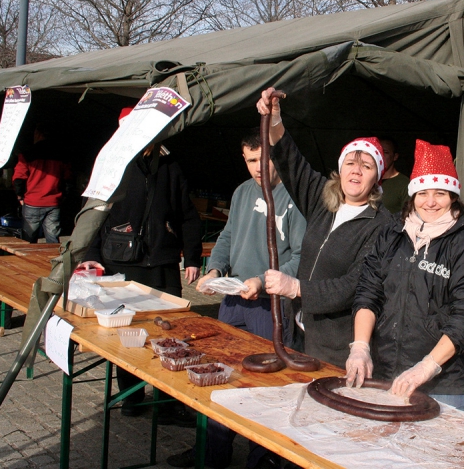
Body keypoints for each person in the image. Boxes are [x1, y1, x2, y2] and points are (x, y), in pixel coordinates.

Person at [167, 130, 306, 469]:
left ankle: (261, 459)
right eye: (250, 160)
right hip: (233, 301)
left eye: (264, 159)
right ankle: (212, 453)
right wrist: (214, 269)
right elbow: (228, 236)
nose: (258, 167)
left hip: (271, 307)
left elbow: (303, 255)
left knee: (263, 385)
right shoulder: (242, 192)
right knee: (219, 376)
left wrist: (263, 280)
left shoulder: (295, 198)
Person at [345, 139, 464, 411]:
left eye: (440, 193)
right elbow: (369, 292)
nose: (430, 202)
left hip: (442, 385)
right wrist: (360, 347)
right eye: (423, 193)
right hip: (384, 373)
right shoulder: (391, 234)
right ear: (412, 195)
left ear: (453, 197)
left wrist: (427, 367)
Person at [255, 87, 393, 368]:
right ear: (340, 169)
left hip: (336, 345)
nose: (356, 170)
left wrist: (296, 288)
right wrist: (276, 118)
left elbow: (354, 286)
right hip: (296, 331)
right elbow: (291, 162)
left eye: (366, 166)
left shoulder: (383, 226)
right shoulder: (323, 199)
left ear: (376, 178)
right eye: (350, 163)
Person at [79, 109, 202, 421]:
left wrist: (192, 256)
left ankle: (166, 403)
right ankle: (131, 398)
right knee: (128, 335)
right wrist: (89, 254)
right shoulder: (112, 163)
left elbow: (186, 214)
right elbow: (92, 214)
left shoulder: (170, 164)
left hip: (162, 261)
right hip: (121, 261)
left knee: (171, 335)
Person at [13, 122, 72, 243]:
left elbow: (18, 178)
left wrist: (20, 196)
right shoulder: (62, 154)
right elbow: (68, 179)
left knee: (28, 241)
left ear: (37, 134)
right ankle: (53, 261)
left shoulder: (27, 154)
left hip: (32, 202)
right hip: (53, 203)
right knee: (52, 239)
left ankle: (29, 261)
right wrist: (63, 197)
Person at [378, 136, 409, 214]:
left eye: (385, 152)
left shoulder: (404, 184)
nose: (381, 156)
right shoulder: (368, 180)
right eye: (378, 152)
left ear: (395, 156)